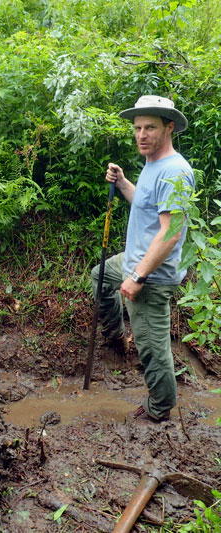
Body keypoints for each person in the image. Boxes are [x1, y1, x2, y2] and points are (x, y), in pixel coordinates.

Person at [91, 95, 194, 422]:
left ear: (169, 128)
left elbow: (172, 232)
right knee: (100, 276)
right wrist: (123, 183)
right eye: (137, 128)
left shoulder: (175, 171)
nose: (142, 134)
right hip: (133, 261)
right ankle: (115, 336)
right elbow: (146, 205)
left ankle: (159, 408)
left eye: (150, 127)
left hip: (152, 275)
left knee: (152, 350)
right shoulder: (153, 163)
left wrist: (137, 278)